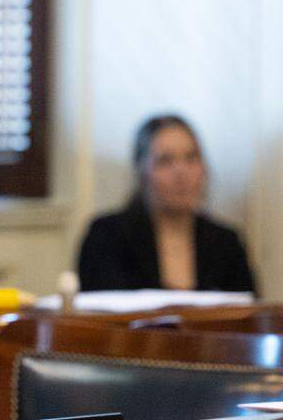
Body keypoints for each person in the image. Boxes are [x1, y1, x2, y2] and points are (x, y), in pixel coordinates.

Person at [76, 114, 257, 293]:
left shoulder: (226, 242)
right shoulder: (107, 236)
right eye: (165, 161)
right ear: (141, 171)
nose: (181, 173)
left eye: (191, 158)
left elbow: (250, 307)